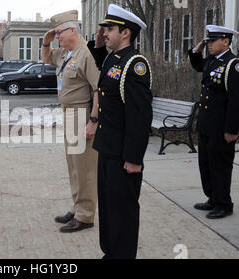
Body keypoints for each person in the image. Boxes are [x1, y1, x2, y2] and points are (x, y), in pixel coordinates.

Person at [88, 4, 153, 259]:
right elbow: (104, 78)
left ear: (125, 33)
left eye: (110, 29)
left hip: (123, 156)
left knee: (123, 212)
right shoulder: (114, 59)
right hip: (107, 148)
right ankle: (111, 252)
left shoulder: (135, 64)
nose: (105, 33)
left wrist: (134, 159)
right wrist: (98, 45)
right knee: (107, 207)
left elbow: (140, 117)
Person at [42, 10, 100, 233]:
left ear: (72, 30)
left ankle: (86, 215)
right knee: (74, 166)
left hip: (81, 115)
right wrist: (46, 43)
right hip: (69, 115)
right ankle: (78, 208)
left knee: (84, 167)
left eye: (59, 32)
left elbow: (98, 90)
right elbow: (46, 59)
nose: (57, 36)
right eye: (55, 33)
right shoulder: (67, 54)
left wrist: (93, 120)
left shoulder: (87, 54)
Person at [188, 25, 239, 219]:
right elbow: (197, 66)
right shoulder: (212, 61)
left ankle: (224, 203)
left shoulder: (234, 65)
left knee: (220, 165)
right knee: (205, 163)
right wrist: (197, 50)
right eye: (208, 41)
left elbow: (237, 101)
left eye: (213, 41)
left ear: (226, 41)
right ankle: (213, 198)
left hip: (221, 127)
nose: (209, 45)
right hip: (206, 124)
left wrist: (231, 130)